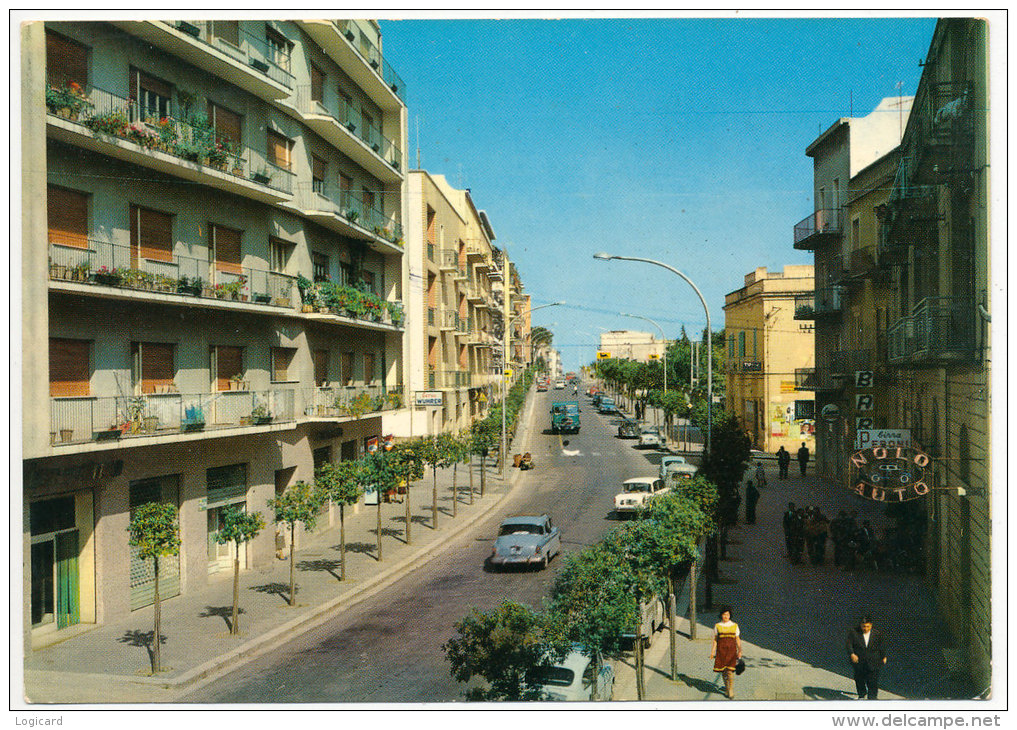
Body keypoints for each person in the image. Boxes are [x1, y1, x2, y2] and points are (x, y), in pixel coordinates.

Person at [845, 615, 887, 699]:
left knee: (873, 680)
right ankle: (861, 694)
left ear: (871, 625)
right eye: (864, 626)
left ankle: (872, 697)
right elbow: (849, 644)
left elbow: (881, 646)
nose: (866, 629)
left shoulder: (877, 634)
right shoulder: (854, 633)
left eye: (868, 626)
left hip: (873, 660)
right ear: (860, 625)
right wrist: (852, 654)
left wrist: (883, 656)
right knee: (859, 679)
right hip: (859, 661)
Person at [710, 606, 742, 699]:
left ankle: (731, 689)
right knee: (723, 671)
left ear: (730, 616)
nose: (726, 616)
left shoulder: (735, 626)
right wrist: (712, 651)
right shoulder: (717, 626)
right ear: (721, 616)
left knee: (730, 671)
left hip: (731, 651)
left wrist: (740, 650)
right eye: (724, 614)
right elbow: (715, 639)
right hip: (721, 651)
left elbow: (737, 639)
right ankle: (727, 688)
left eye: (727, 614)